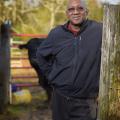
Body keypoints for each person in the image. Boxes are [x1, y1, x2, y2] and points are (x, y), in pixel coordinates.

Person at [36, 0, 102, 120]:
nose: (75, 12)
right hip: (60, 99)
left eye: (80, 8)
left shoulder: (99, 31)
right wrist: (51, 75)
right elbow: (40, 55)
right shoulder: (56, 34)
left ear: (87, 11)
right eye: (71, 9)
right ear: (67, 13)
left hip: (86, 102)